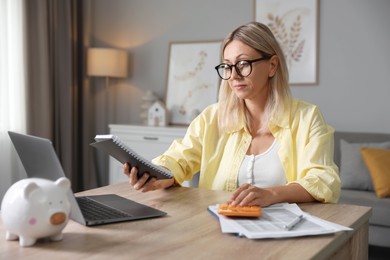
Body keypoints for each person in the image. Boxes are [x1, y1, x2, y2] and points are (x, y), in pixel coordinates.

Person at [123, 21, 340, 207]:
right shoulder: (212, 118)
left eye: (243, 64)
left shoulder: (307, 117)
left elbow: (322, 179)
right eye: (227, 66)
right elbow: (179, 159)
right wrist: (158, 175)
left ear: (272, 65)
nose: (234, 76)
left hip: (283, 236)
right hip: (219, 230)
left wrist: (272, 194)